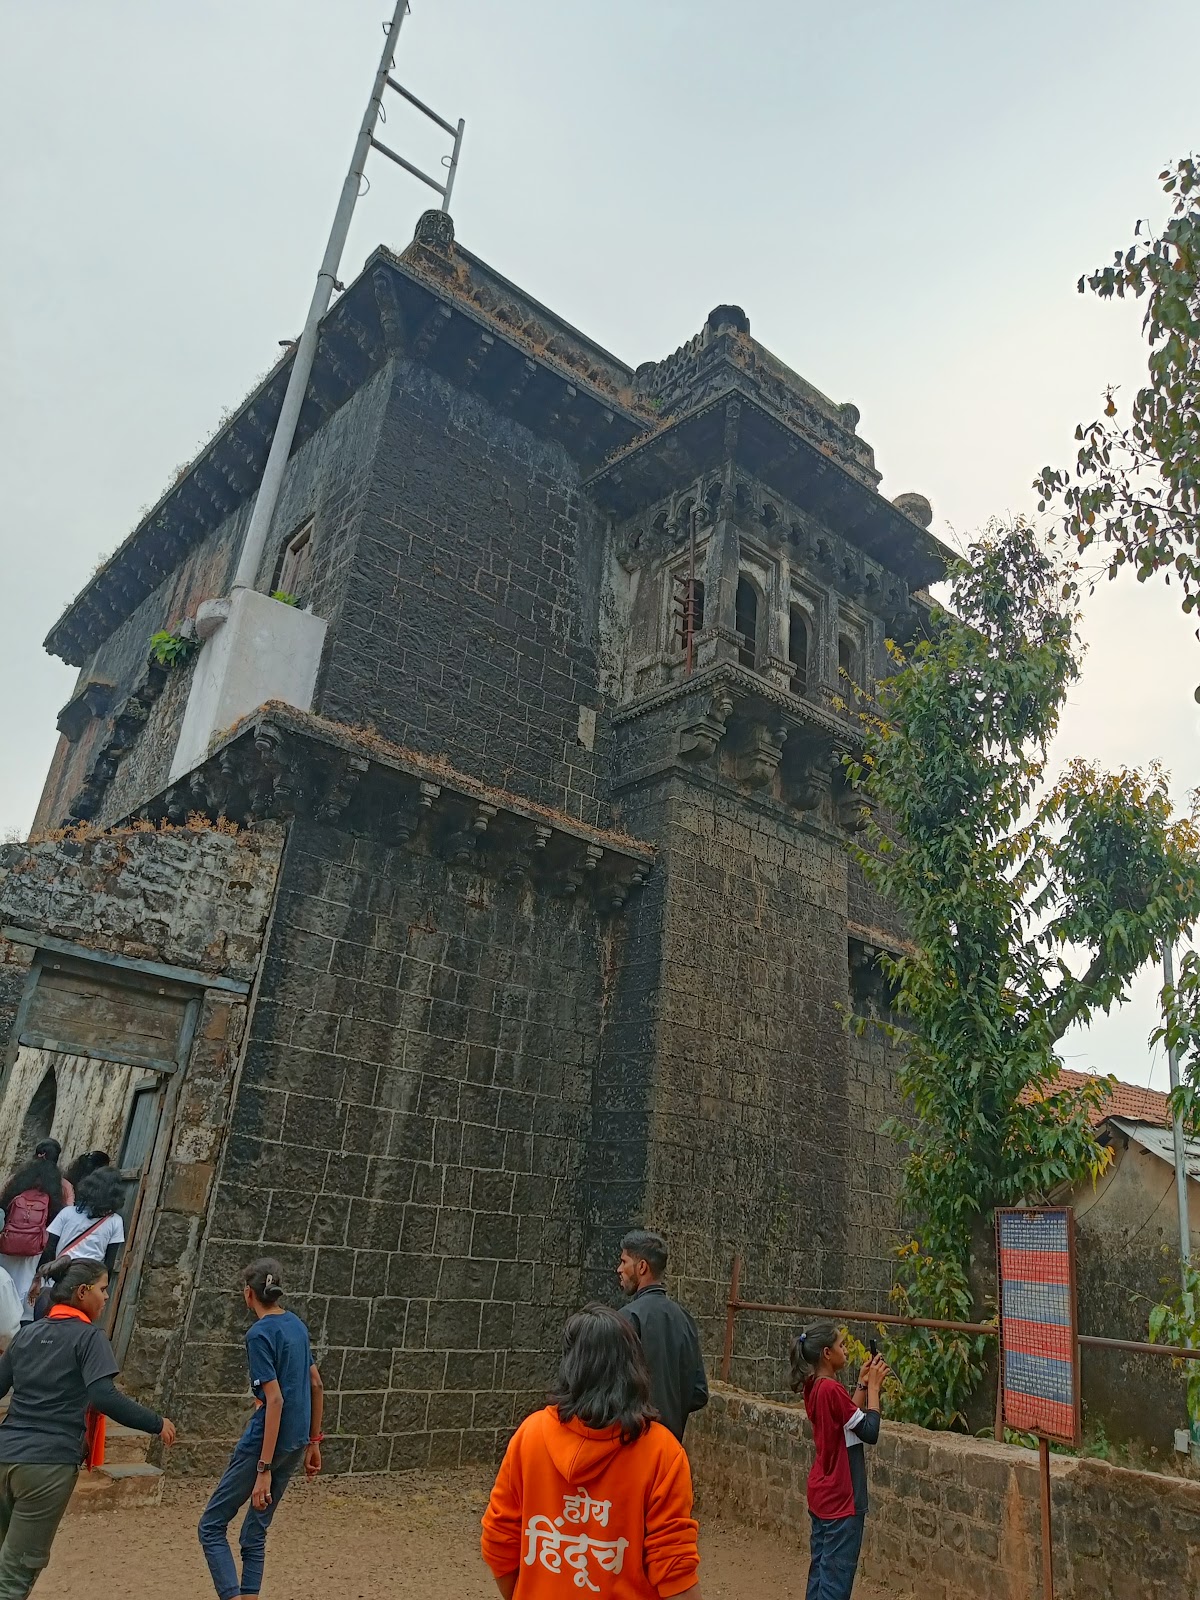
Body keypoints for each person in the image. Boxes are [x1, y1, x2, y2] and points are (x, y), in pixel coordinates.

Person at [481, 1303, 703, 1599]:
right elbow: (674, 1570)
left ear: (570, 1366)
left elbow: (499, 1540)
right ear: (633, 1365)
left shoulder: (530, 1436)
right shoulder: (662, 1454)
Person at [0, 1256, 175, 1597]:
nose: (107, 1297)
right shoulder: (90, 1338)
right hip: (48, 1464)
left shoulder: (26, 1335)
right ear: (82, 1292)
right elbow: (105, 1397)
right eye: (103, 1289)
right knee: (15, 1575)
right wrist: (157, 1422)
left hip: (4, 1454)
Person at [198, 1258, 324, 1600]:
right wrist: (314, 1441)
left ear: (247, 1294)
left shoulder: (259, 1334)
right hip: (295, 1443)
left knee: (211, 1527)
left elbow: (275, 1401)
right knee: (255, 1533)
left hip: (264, 1447)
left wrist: (263, 1468)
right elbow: (316, 1384)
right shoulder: (296, 1325)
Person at [789, 1320, 888, 1600]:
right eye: (841, 1345)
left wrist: (862, 1383)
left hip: (823, 1493)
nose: (845, 1350)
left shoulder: (815, 1386)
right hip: (843, 1497)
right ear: (826, 1354)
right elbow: (869, 1431)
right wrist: (874, 1391)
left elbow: (845, 1419)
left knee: (821, 1572)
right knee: (835, 1583)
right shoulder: (831, 1390)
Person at [616, 1230, 708, 1442]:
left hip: (635, 1448)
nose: (619, 1269)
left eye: (624, 1261)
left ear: (642, 1267)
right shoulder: (685, 1319)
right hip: (671, 1449)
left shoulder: (627, 1318)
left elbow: (614, 1390)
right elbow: (699, 1393)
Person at [32, 1167, 127, 1320]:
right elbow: (108, 1263)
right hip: (88, 1285)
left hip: (59, 1279)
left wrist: (39, 1277)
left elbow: (49, 1249)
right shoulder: (115, 1221)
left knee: (48, 1321)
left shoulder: (67, 1213)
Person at [0, 1146, 66, 1326]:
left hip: (8, 1243)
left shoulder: (17, 1179)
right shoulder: (60, 1185)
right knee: (24, 1292)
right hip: (35, 1249)